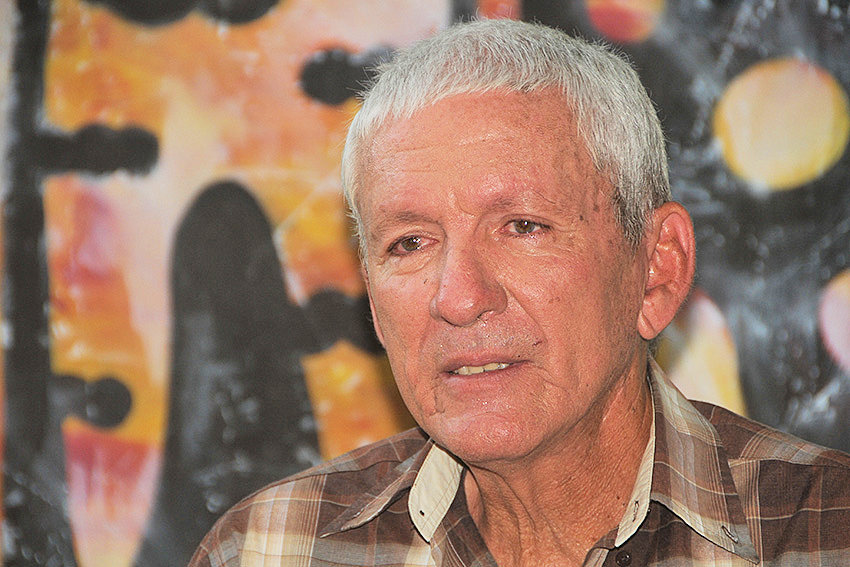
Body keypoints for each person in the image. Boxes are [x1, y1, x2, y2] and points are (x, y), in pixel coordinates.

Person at [190, 19, 850, 567]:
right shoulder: (271, 549)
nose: (458, 297)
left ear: (656, 269)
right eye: (410, 243)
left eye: (523, 227)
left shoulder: (825, 531)